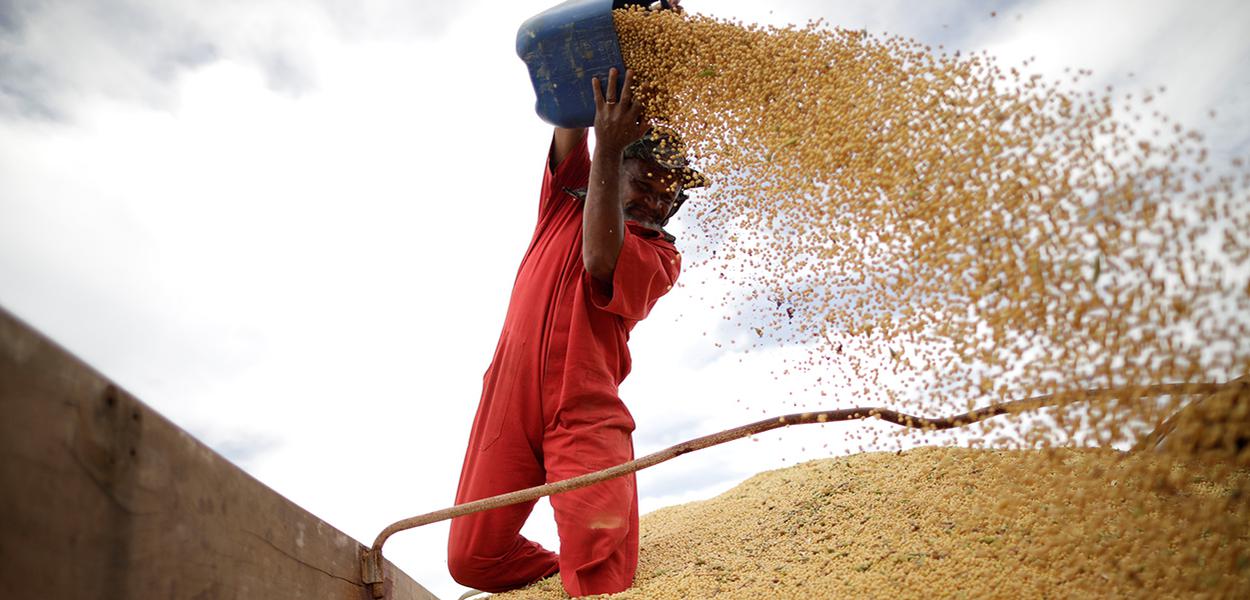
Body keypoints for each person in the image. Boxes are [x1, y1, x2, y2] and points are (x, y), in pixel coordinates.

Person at [446, 64, 706, 597]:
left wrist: (611, 148)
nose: (657, 201)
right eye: (647, 183)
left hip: (584, 408)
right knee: (472, 559)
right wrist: (606, 59)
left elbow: (599, 257)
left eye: (669, 194)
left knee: (601, 574)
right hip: (507, 398)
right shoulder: (567, 198)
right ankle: (559, 573)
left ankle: (585, 574)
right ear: (616, 172)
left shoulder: (662, 255)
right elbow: (569, 117)